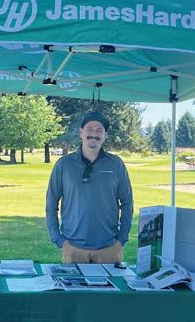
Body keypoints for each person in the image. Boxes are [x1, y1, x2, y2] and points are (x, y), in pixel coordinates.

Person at [46, 111, 133, 264]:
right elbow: (51, 204)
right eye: (89, 129)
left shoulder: (116, 164)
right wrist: (58, 239)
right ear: (81, 133)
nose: (94, 133)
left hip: (109, 249)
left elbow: (127, 203)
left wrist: (121, 240)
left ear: (105, 135)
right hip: (73, 249)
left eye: (99, 130)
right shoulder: (64, 165)